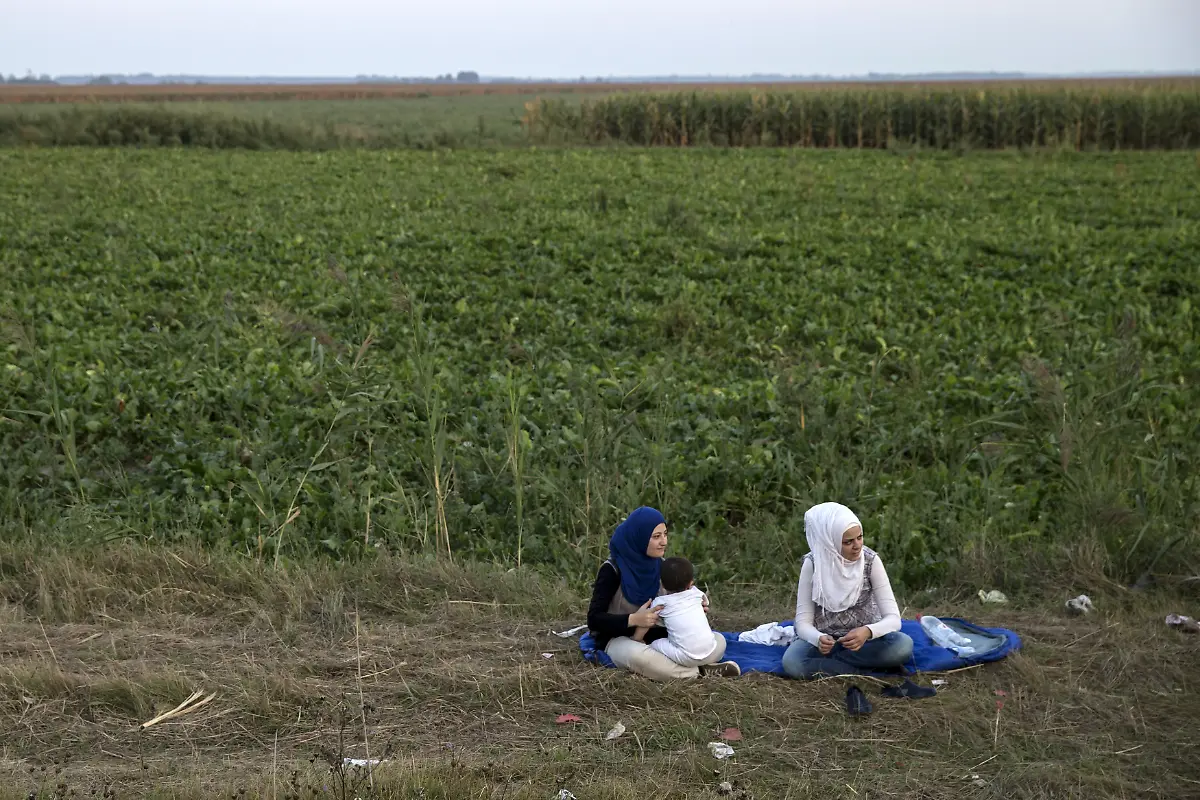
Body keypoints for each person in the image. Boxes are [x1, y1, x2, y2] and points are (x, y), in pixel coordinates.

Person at [587, 507, 740, 680]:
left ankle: (682, 667)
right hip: (621, 639)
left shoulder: (663, 566)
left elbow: (679, 600)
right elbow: (594, 620)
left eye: (665, 534)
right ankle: (699, 671)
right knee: (637, 656)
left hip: (660, 638)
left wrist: (694, 606)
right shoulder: (612, 570)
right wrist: (634, 619)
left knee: (718, 641)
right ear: (639, 537)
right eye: (656, 537)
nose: (664, 542)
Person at [781, 502, 914, 679]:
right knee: (792, 662)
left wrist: (867, 631)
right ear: (831, 541)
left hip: (864, 641)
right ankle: (868, 670)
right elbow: (803, 623)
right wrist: (817, 639)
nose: (857, 545)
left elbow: (893, 619)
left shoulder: (870, 561)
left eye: (860, 537)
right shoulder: (813, 564)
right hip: (824, 642)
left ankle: (835, 668)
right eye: (848, 542)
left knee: (903, 645)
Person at [648, 557, 735, 672]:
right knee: (720, 639)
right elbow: (705, 602)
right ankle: (707, 665)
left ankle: (693, 670)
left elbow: (653, 619)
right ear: (691, 583)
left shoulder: (660, 603)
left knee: (655, 644)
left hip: (685, 658)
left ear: (662, 584)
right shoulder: (697, 594)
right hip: (712, 652)